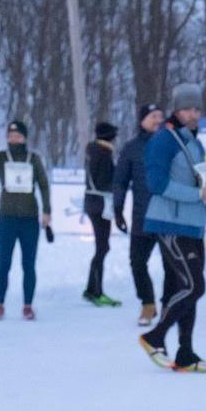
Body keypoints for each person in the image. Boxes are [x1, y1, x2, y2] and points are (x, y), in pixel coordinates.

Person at [136, 84, 206, 372]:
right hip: (171, 223)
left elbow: (197, 180)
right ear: (176, 110)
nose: (193, 114)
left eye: (196, 109)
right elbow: (156, 183)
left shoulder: (193, 142)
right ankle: (154, 336)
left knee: (182, 288)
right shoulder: (164, 140)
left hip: (193, 224)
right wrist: (198, 194)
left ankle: (185, 352)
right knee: (195, 286)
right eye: (187, 109)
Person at [0, 117, 51, 321]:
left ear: (24, 138)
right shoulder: (1, 157)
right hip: (6, 219)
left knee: (28, 265)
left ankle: (28, 306)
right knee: (3, 264)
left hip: (29, 220)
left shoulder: (33, 158)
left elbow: (43, 184)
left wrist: (47, 211)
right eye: (10, 135)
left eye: (18, 135)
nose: (14, 139)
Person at [112, 104, 166, 325]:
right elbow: (120, 181)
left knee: (171, 266)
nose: (157, 120)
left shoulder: (168, 144)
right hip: (142, 217)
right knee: (137, 262)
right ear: (142, 120)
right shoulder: (131, 148)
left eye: (160, 116)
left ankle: (168, 306)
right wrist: (117, 209)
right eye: (153, 116)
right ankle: (147, 304)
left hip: (166, 217)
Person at [82, 120, 122, 307]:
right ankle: (95, 291)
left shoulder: (92, 151)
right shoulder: (104, 153)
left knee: (102, 247)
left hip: (92, 201)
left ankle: (93, 288)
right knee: (102, 248)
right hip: (100, 203)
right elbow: (106, 180)